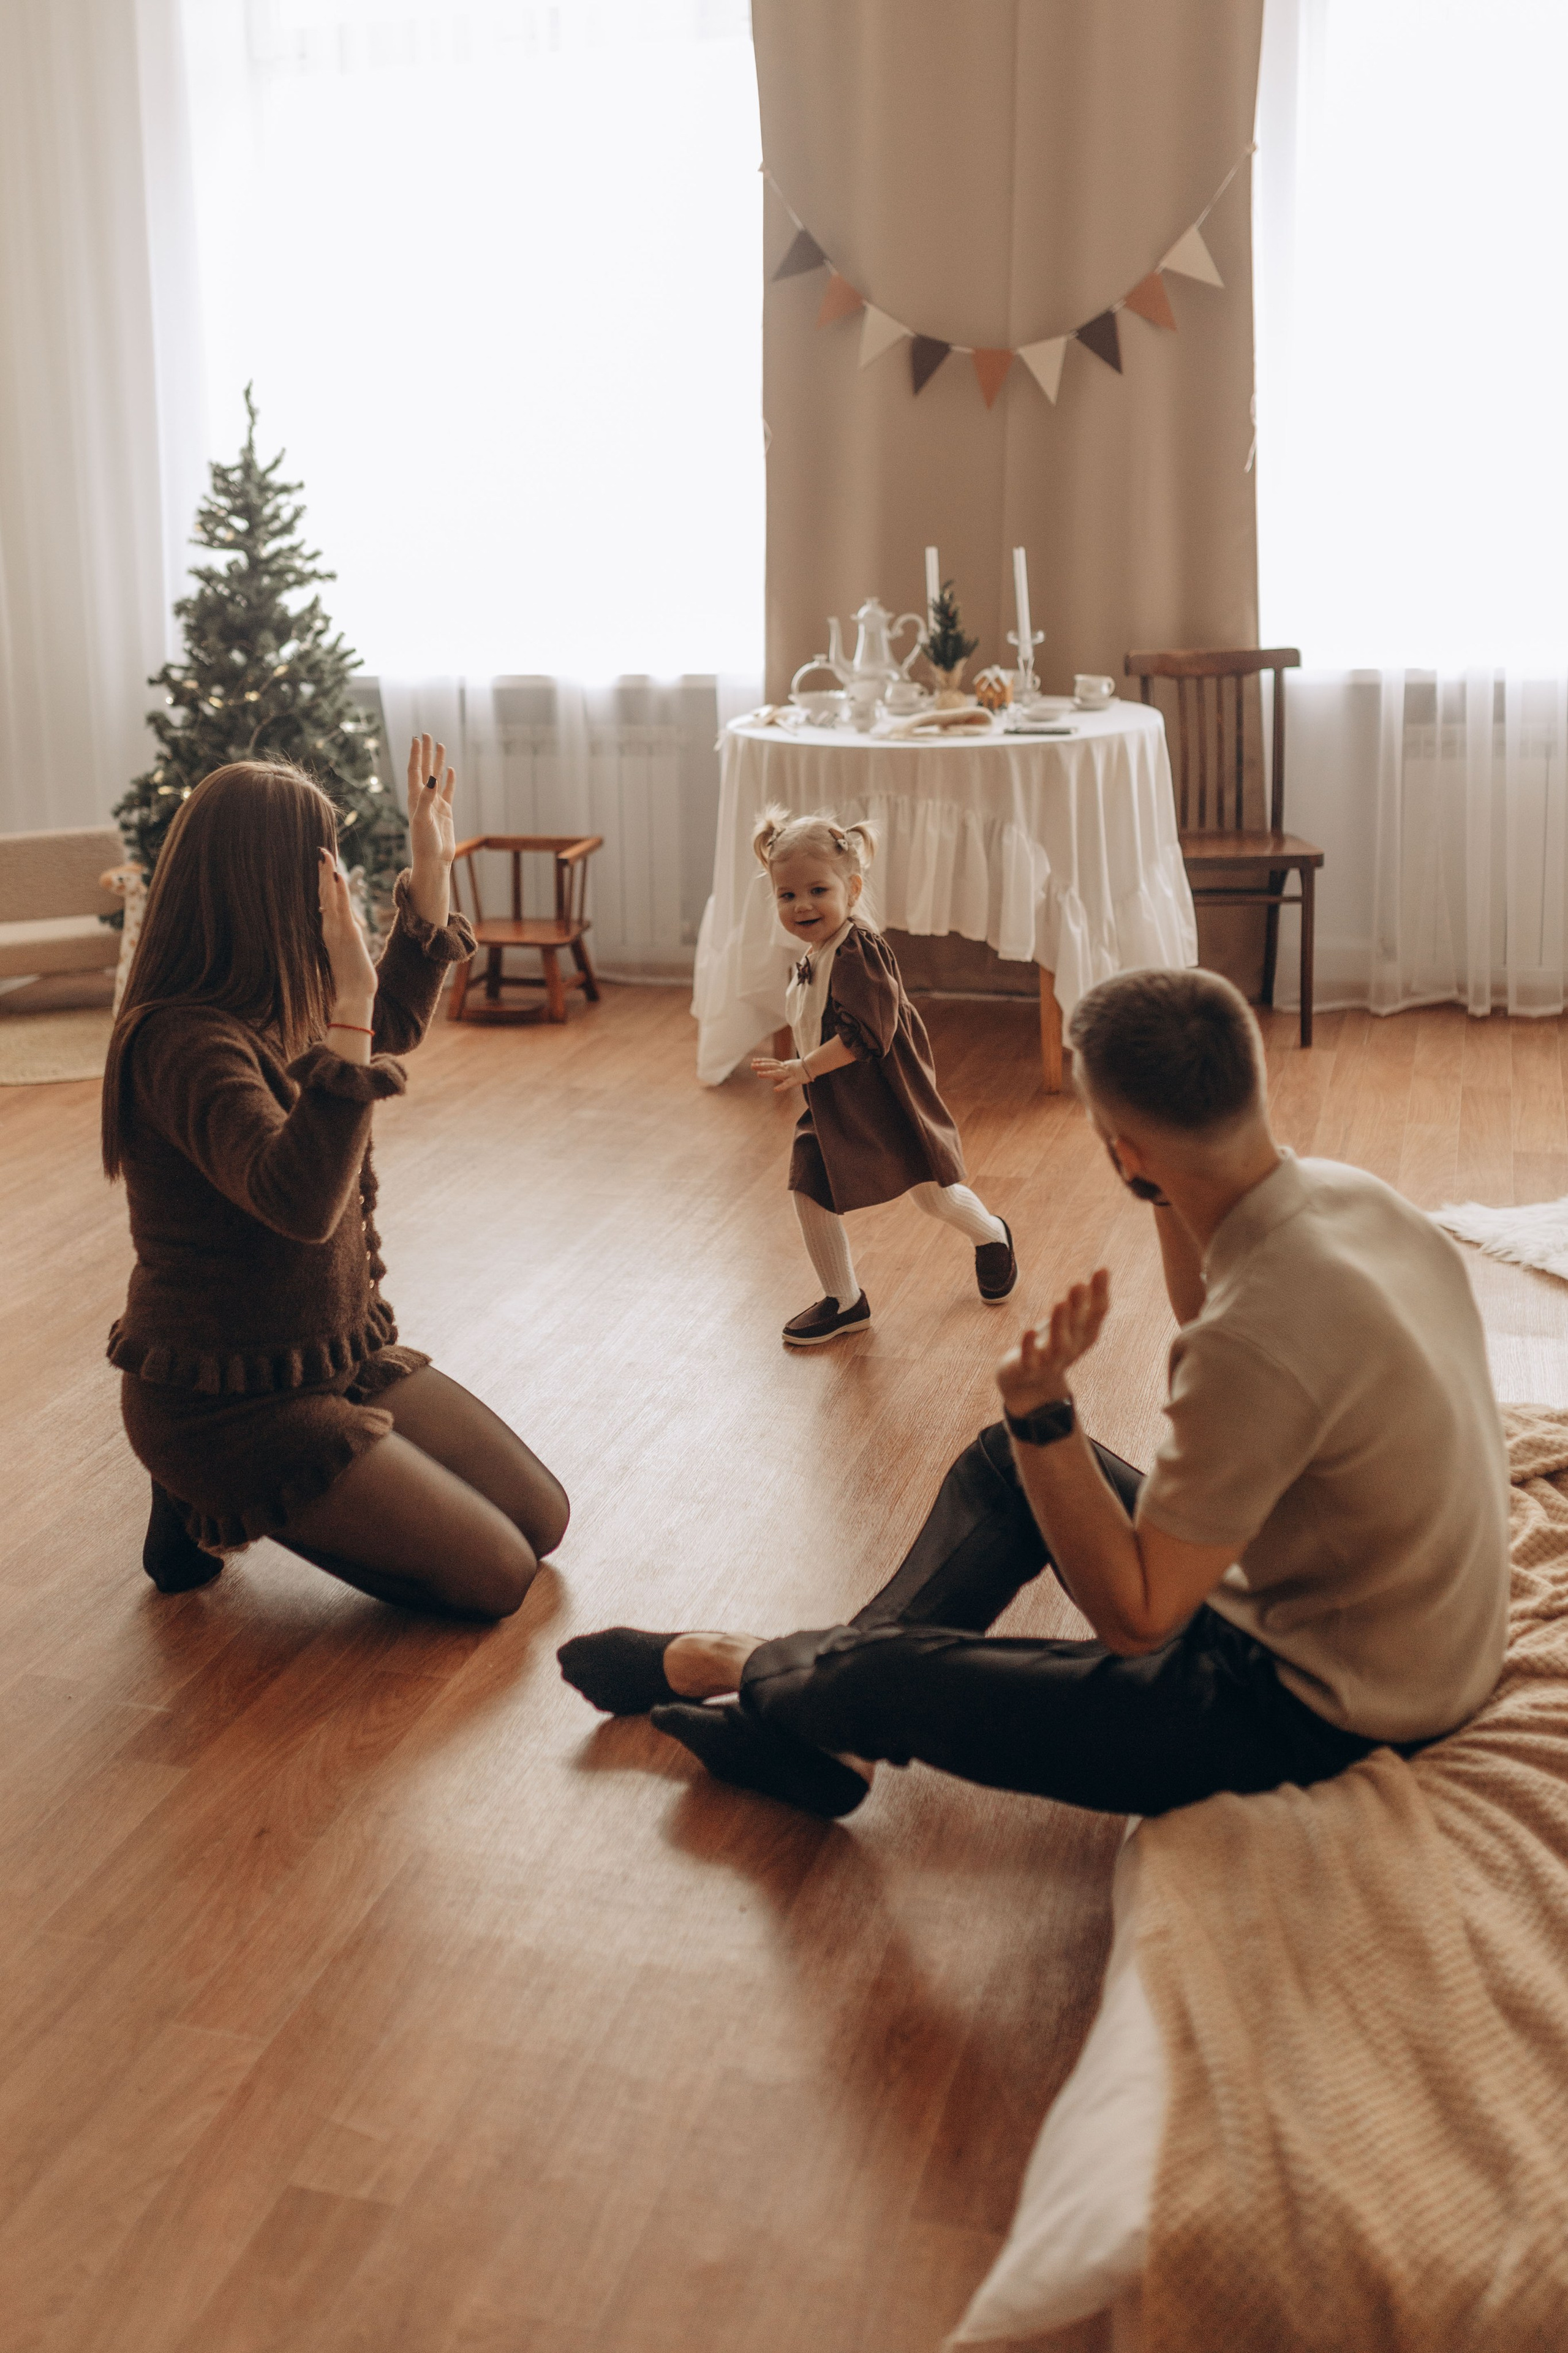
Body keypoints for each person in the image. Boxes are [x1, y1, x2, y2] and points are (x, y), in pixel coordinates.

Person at [559, 967, 1510, 1819]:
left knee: (912, 1656)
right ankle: (827, 1734)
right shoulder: (1357, 1200)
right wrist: (1151, 1182)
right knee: (1003, 1465)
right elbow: (1207, 1304)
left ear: (1122, 1149)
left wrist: (1044, 1412)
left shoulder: (1251, 1342)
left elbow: (1139, 1621)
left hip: (1321, 1709)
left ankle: (734, 1659)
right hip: (1413, 1640)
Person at [103, 736, 568, 1619]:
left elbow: (387, 1024)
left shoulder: (274, 988)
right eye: (322, 863)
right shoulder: (183, 1042)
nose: (339, 881)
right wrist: (352, 1008)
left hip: (327, 1355)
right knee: (496, 1575)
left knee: (542, 1519)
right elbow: (300, 1202)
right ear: (264, 882)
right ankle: (194, 1488)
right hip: (222, 1400)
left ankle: (196, 1499)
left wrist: (431, 874)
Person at [747, 806, 1016, 1346]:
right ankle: (845, 1301)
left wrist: (804, 1067)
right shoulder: (818, 952)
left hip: (883, 1098)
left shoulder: (858, 952)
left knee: (932, 1195)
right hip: (833, 1099)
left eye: (818, 890)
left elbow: (864, 1035)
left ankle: (991, 1234)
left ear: (852, 889)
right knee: (809, 1187)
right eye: (787, 894)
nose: (802, 905)